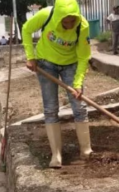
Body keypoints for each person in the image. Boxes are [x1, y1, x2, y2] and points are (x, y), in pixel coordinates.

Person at [22, 0, 92, 168]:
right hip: (46, 63)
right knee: (51, 108)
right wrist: (30, 57)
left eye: (72, 21)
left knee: (79, 106)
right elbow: (26, 29)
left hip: (71, 64)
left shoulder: (82, 26)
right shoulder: (46, 15)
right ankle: (56, 154)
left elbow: (83, 56)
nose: (69, 25)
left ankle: (86, 150)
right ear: (58, 18)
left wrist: (78, 83)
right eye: (65, 22)